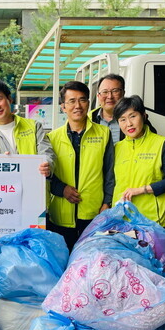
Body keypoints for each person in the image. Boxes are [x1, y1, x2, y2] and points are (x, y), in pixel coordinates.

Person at [48, 81, 114, 250]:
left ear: (88, 103)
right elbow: (47, 174)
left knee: (91, 263)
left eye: (82, 100)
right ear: (63, 106)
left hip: (94, 212)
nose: (77, 106)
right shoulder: (51, 138)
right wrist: (62, 189)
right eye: (71, 101)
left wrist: (107, 203)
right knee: (63, 263)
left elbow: (110, 172)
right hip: (61, 214)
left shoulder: (103, 133)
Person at [112, 95, 165, 226]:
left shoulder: (162, 143)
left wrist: (140, 190)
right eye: (122, 119)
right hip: (121, 219)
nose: (129, 124)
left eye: (133, 116)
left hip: (151, 220)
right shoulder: (116, 148)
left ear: (143, 116)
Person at [0, 78, 55, 177]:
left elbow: (47, 154)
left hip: (35, 188)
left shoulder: (34, 126)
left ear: (9, 99)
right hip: (7, 190)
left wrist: (46, 166)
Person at [90, 73, 126, 143]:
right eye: (105, 92)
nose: (110, 96)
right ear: (98, 96)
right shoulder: (89, 119)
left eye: (115, 91)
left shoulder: (134, 118)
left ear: (123, 93)